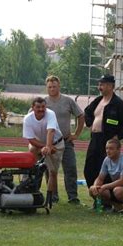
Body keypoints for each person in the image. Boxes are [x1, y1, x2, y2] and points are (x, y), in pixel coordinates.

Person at [84, 74, 123, 206]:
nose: (100, 87)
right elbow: (87, 112)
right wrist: (91, 124)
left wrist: (118, 136)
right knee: (90, 168)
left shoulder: (118, 104)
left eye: (103, 84)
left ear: (111, 86)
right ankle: (97, 198)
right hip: (95, 139)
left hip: (108, 140)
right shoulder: (98, 101)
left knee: (105, 170)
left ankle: (109, 201)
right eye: (100, 84)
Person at [44, 75, 85, 204]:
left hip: (66, 140)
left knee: (71, 168)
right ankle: (53, 196)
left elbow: (80, 115)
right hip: (50, 142)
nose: (52, 89)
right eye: (49, 87)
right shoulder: (43, 102)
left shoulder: (68, 100)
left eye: (54, 86)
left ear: (59, 86)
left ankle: (73, 197)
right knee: (51, 170)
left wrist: (76, 134)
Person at [23, 97, 65, 204]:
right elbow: (31, 139)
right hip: (38, 144)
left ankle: (52, 197)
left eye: (43, 107)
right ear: (33, 108)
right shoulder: (28, 119)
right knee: (36, 168)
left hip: (56, 143)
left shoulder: (50, 114)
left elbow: (50, 131)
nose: (41, 109)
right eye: (38, 107)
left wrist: (49, 147)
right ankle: (33, 190)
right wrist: (45, 147)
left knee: (52, 171)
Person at [89, 139, 123, 215]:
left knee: (118, 191)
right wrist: (95, 186)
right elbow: (100, 178)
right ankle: (117, 207)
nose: (108, 151)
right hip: (115, 188)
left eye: (111, 148)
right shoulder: (107, 160)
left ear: (119, 150)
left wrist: (105, 186)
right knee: (92, 189)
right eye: (107, 148)